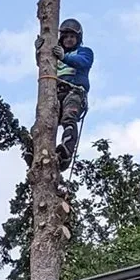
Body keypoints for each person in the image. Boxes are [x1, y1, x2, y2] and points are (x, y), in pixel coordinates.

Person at [36, 17, 94, 171]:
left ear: (78, 38)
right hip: (55, 92)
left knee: (69, 117)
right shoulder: (55, 54)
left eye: (72, 37)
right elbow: (44, 65)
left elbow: (83, 62)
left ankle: (66, 151)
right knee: (44, 121)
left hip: (74, 90)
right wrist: (40, 51)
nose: (69, 39)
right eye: (66, 36)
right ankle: (35, 150)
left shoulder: (83, 52)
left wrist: (64, 56)